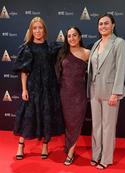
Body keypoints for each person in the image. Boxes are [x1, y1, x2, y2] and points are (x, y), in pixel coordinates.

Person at [13, 17, 64, 160]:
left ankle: (45, 145)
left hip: (48, 87)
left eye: (40, 27)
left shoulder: (51, 48)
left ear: (44, 30)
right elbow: (24, 71)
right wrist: (24, 89)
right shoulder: (27, 48)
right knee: (27, 116)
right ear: (31, 30)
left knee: (46, 115)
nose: (37, 31)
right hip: (33, 87)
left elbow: (68, 49)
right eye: (34, 28)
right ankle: (20, 146)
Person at [87, 14, 125, 169]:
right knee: (96, 126)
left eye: (106, 23)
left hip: (110, 92)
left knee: (108, 126)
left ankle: (105, 159)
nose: (103, 26)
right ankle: (96, 155)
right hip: (94, 90)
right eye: (100, 24)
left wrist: (115, 93)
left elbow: (120, 69)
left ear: (113, 25)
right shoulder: (96, 43)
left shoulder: (119, 43)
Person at [56, 26, 90, 165]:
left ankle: (70, 152)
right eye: (69, 36)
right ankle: (69, 146)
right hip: (64, 95)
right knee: (68, 124)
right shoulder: (62, 53)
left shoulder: (87, 53)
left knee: (75, 124)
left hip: (79, 96)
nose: (72, 38)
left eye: (74, 35)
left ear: (80, 37)